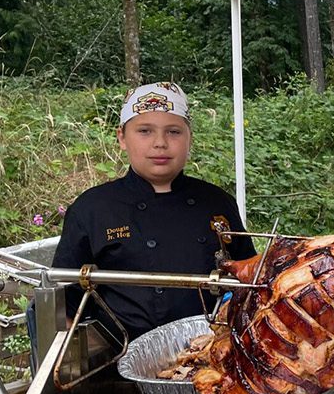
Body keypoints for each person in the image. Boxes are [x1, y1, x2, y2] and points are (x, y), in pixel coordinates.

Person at [51, 81, 256, 341]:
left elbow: (249, 283)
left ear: (189, 137)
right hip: (116, 362)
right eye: (145, 131)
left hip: (212, 354)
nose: (160, 143)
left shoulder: (218, 203)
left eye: (173, 132)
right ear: (122, 138)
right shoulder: (91, 209)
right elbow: (64, 302)